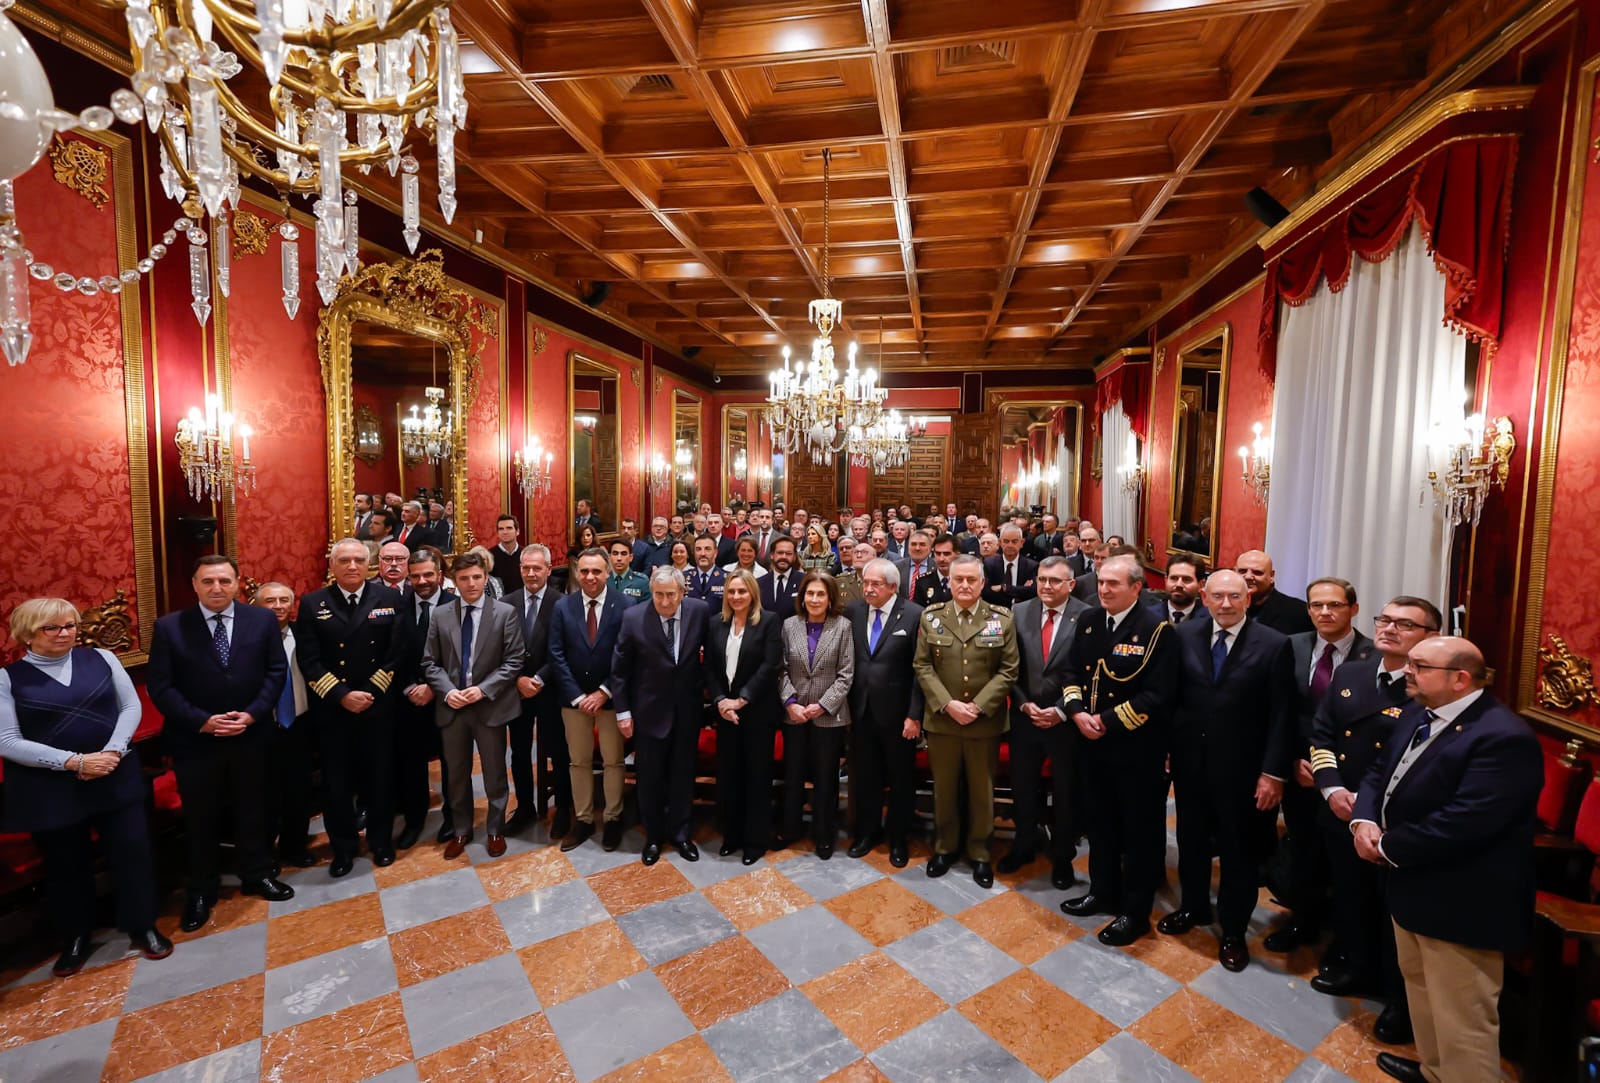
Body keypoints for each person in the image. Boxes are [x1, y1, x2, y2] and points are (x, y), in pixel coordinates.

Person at [1350, 636, 1541, 1083]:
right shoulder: (1419, 711)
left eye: (1420, 665)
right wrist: (1362, 821)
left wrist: (1387, 847)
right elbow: (1381, 772)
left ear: (1460, 679)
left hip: (1462, 899)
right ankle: (1435, 1073)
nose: (1408, 671)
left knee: (1463, 1018)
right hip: (1412, 887)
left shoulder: (1503, 737)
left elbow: (1468, 822)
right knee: (1422, 994)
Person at [0, 598, 171, 975]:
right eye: (53, 628)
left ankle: (143, 926)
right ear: (28, 633)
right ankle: (76, 937)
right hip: (52, 788)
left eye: (70, 626)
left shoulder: (104, 659)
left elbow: (130, 708)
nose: (65, 634)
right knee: (66, 865)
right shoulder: (8, 678)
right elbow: (7, 740)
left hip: (115, 775)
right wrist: (74, 762)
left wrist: (112, 751)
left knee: (132, 854)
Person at [1308, 596, 1440, 1043]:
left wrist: (1365, 807)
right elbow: (1323, 733)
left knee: (1394, 912)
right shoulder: (1353, 672)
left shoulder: (1432, 690)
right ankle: (1357, 967)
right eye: (1385, 619)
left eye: (1405, 624)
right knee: (1350, 895)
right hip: (1340, 806)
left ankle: (1399, 1000)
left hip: (1391, 821)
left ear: (1430, 637)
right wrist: (1331, 789)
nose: (1389, 628)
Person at [1158, 569, 1296, 972]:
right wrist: (1168, 749)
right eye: (1217, 596)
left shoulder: (1274, 645)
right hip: (1190, 764)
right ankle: (1194, 907)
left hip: (1245, 771)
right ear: (1204, 597)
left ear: (1247, 600)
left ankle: (1233, 931)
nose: (1225, 604)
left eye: (1234, 596)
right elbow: (1173, 700)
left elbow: (1282, 715)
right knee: (1192, 840)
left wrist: (1273, 774)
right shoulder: (1184, 635)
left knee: (1239, 852)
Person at [147, 555, 294, 930]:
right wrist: (203, 721)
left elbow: (276, 671)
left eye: (225, 581)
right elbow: (161, 687)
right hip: (196, 740)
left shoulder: (260, 619)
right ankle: (200, 890)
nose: (217, 588)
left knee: (253, 808)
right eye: (208, 581)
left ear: (237, 582)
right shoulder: (169, 627)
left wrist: (252, 714)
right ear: (194, 584)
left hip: (252, 733)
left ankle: (257, 873)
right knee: (201, 817)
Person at [1059, 554, 1177, 945]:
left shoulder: (1157, 629)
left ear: (1137, 588)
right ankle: (1101, 891)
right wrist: (1076, 713)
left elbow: (1157, 696)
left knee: (1139, 832)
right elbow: (1073, 672)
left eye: (1114, 584)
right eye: (1102, 583)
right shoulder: (1091, 620)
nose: (1104, 589)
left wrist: (1104, 723)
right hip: (1090, 745)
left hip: (1134, 749)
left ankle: (1134, 911)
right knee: (1099, 823)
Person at [1266, 576, 1371, 958]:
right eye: (1316, 606)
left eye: (1334, 605)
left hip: (1347, 782)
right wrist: (1289, 762)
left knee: (1346, 864)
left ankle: (1346, 941)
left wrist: (1334, 776)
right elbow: (1280, 712)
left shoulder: (1372, 656)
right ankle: (1302, 922)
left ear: (1353, 609)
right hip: (1298, 772)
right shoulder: (1291, 647)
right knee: (1304, 850)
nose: (1324, 612)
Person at [296, 538, 406, 877]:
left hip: (377, 706)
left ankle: (381, 841)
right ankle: (342, 848)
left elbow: (396, 653)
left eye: (359, 559)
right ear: (332, 565)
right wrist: (342, 694)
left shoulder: (388, 598)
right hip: (334, 710)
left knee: (380, 777)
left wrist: (370, 692)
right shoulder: (314, 604)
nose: (352, 566)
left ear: (368, 564)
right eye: (344, 560)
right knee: (337, 783)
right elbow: (309, 660)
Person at [912, 553, 1019, 889]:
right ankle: (944, 848)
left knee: (981, 791)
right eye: (959, 579)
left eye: (972, 579)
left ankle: (980, 852)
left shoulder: (1001, 619)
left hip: (982, 723)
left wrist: (977, 707)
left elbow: (1008, 670)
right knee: (943, 789)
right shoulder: (932, 617)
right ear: (950, 581)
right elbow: (922, 666)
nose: (965, 585)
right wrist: (947, 704)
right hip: (943, 722)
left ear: (983, 583)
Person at [422, 550, 525, 859]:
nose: (471, 584)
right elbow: (429, 662)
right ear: (454, 580)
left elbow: (514, 660)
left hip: (489, 706)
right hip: (453, 706)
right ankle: (462, 829)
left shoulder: (504, 613)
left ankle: (495, 828)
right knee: (456, 772)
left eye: (476, 577)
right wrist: (447, 691)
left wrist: (483, 689)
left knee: (494, 772)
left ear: (485, 578)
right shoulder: (440, 615)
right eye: (464, 578)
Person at [1001, 556, 1090, 888]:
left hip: (1065, 721)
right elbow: (1009, 667)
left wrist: (1061, 710)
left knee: (1067, 792)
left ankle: (1062, 857)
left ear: (1070, 584)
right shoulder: (1018, 612)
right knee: (1024, 787)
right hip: (1024, 719)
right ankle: (1024, 843)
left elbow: (1088, 671)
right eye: (1042, 580)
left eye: (1054, 581)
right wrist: (1024, 706)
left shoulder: (1087, 616)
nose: (1047, 586)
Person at [612, 567, 710, 865]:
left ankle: (680, 834)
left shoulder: (700, 612)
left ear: (683, 593)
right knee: (650, 778)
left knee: (683, 776)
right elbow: (619, 671)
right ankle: (653, 836)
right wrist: (623, 712)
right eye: (658, 595)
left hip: (687, 711)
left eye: (671, 595)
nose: (665, 602)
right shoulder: (633, 618)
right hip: (648, 712)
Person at [549, 548, 634, 851]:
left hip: (611, 698)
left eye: (597, 571)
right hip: (574, 700)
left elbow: (626, 656)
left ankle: (613, 818)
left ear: (608, 572)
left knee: (613, 761)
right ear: (576, 573)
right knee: (579, 761)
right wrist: (577, 695)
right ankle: (583, 819)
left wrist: (603, 692)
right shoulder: (563, 607)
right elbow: (556, 654)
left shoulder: (626, 605)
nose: (590, 577)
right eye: (584, 571)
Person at [844, 559, 924, 868]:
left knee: (901, 779)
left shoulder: (914, 614)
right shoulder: (854, 611)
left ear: (893, 586)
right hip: (861, 711)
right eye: (866, 583)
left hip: (899, 716)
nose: (868, 589)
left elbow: (920, 669)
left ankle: (898, 838)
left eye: (876, 584)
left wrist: (914, 714)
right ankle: (868, 833)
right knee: (866, 777)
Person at [705, 569, 783, 865]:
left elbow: (770, 665)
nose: (736, 596)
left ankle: (755, 840)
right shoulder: (716, 623)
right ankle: (732, 835)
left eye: (742, 591)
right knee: (730, 777)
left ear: (753, 593)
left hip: (756, 713)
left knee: (756, 778)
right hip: (726, 714)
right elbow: (710, 669)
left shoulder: (769, 621)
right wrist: (721, 702)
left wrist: (742, 699)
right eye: (732, 591)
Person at [778, 571, 854, 858]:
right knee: (793, 775)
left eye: (821, 594)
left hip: (828, 717)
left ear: (830, 597)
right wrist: (791, 702)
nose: (815, 599)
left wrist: (822, 705)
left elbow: (846, 675)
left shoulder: (843, 627)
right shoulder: (789, 625)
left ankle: (824, 834)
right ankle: (790, 828)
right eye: (810, 593)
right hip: (794, 714)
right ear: (802, 596)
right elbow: (780, 669)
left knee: (826, 779)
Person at [502, 544, 568, 839]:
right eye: (526, 568)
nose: (531, 573)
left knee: (558, 751)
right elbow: (499, 649)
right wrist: (518, 679)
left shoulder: (563, 603)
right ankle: (526, 806)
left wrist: (539, 679)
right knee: (518, 753)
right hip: (516, 691)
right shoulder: (506, 603)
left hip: (551, 689)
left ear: (548, 570)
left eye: (537, 568)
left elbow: (565, 650)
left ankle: (564, 809)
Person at [395, 549, 457, 846]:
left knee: (451, 762)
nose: (422, 581)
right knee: (411, 765)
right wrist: (409, 688)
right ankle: (414, 820)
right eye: (416, 575)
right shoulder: (398, 607)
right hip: (408, 702)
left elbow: (461, 654)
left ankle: (453, 818)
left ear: (440, 576)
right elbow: (392, 655)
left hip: (446, 698)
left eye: (428, 575)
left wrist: (434, 687)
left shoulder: (456, 606)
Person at [256, 582, 317, 869]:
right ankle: (265, 854)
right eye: (271, 601)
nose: (278, 606)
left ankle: (295, 847)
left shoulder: (303, 634)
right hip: (263, 726)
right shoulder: (249, 639)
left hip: (301, 723)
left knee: (299, 791)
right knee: (264, 794)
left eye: (284, 600)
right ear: (257, 605)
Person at [1235, 550, 1315, 635]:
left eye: (1257, 572)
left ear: (1271, 576)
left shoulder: (1300, 612)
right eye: (1242, 571)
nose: (1248, 576)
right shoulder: (1223, 608)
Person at [983, 524, 1039, 609]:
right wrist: (1020, 590)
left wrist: (1004, 588)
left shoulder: (1031, 566)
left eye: (1014, 541)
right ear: (1000, 543)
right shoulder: (989, 564)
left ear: (1022, 543)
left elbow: (1033, 591)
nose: (1010, 545)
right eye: (1006, 541)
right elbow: (986, 592)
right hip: (996, 610)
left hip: (1024, 610)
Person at [761, 536, 802, 619]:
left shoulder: (804, 581)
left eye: (788, 553)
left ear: (794, 557)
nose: (784, 557)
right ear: (772, 555)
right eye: (780, 553)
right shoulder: (759, 583)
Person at [913, 535, 956, 606]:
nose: (941, 559)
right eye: (938, 554)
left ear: (957, 554)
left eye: (946, 554)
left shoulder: (964, 580)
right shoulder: (923, 581)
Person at [688, 535, 727, 606]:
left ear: (715, 553)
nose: (702, 554)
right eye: (698, 549)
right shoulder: (683, 578)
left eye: (707, 549)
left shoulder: (727, 579)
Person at [489, 514, 523, 595]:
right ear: (497, 533)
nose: (505, 532)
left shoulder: (526, 554)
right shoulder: (489, 556)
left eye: (509, 528)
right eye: (501, 529)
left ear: (517, 531)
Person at [900, 530, 935, 600]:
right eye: (913, 544)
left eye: (922, 544)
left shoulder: (938, 568)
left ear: (930, 548)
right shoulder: (897, 567)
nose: (917, 548)